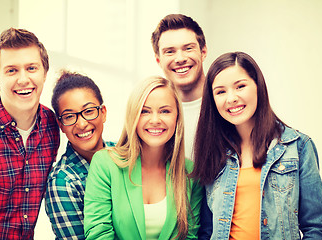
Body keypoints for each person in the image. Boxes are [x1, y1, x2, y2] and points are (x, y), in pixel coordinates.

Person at [192, 51, 322, 239]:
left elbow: (316, 228)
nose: (231, 98)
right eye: (221, 91)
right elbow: (206, 232)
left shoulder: (298, 147)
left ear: (258, 87)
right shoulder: (212, 151)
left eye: (240, 86)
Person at [0, 28, 60, 239]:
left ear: (45, 73)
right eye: (11, 70)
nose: (23, 79)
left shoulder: (52, 126)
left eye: (31, 68)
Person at [83, 76, 203, 239]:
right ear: (133, 116)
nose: (155, 120)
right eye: (145, 111)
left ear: (177, 117)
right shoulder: (105, 164)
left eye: (165, 111)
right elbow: (98, 233)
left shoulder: (190, 173)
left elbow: (190, 236)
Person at [45, 71, 115, 239]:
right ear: (61, 125)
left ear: (103, 112)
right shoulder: (62, 181)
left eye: (89, 111)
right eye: (69, 116)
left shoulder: (124, 153)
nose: (82, 124)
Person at [151, 14, 207, 160]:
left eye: (188, 48)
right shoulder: (151, 115)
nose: (180, 59)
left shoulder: (228, 104)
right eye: (170, 51)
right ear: (159, 60)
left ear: (203, 52)